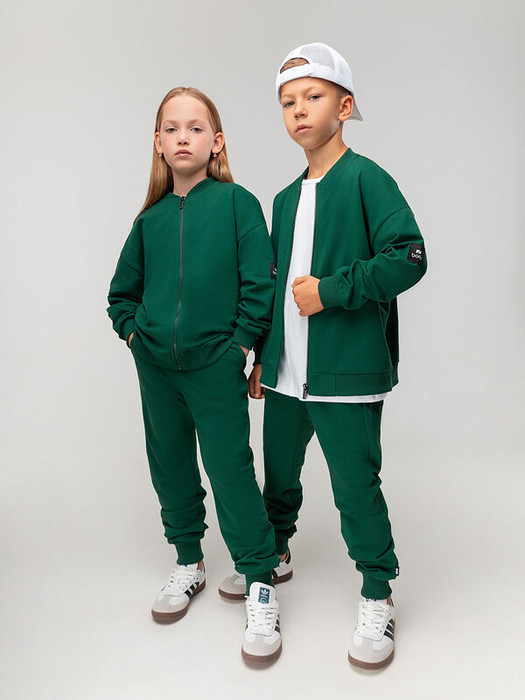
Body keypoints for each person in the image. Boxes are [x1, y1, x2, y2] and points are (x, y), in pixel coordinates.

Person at [219, 43, 427, 669]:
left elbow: (409, 256)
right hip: (286, 375)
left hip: (346, 374)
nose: (299, 111)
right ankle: (275, 553)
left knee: (355, 488)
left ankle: (377, 592)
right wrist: (264, 355)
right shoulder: (284, 199)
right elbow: (274, 287)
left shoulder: (367, 179)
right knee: (277, 478)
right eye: (288, 102)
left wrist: (332, 291)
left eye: (312, 97)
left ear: (344, 105)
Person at [107, 86, 283, 664]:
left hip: (215, 365)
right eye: (172, 128)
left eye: (196, 127)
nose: (183, 137)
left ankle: (259, 581)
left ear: (217, 141)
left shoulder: (237, 205)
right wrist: (136, 336)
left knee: (230, 469)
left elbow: (260, 285)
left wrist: (239, 348)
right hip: (158, 369)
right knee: (170, 465)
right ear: (158, 144)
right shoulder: (149, 220)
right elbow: (120, 295)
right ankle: (189, 561)